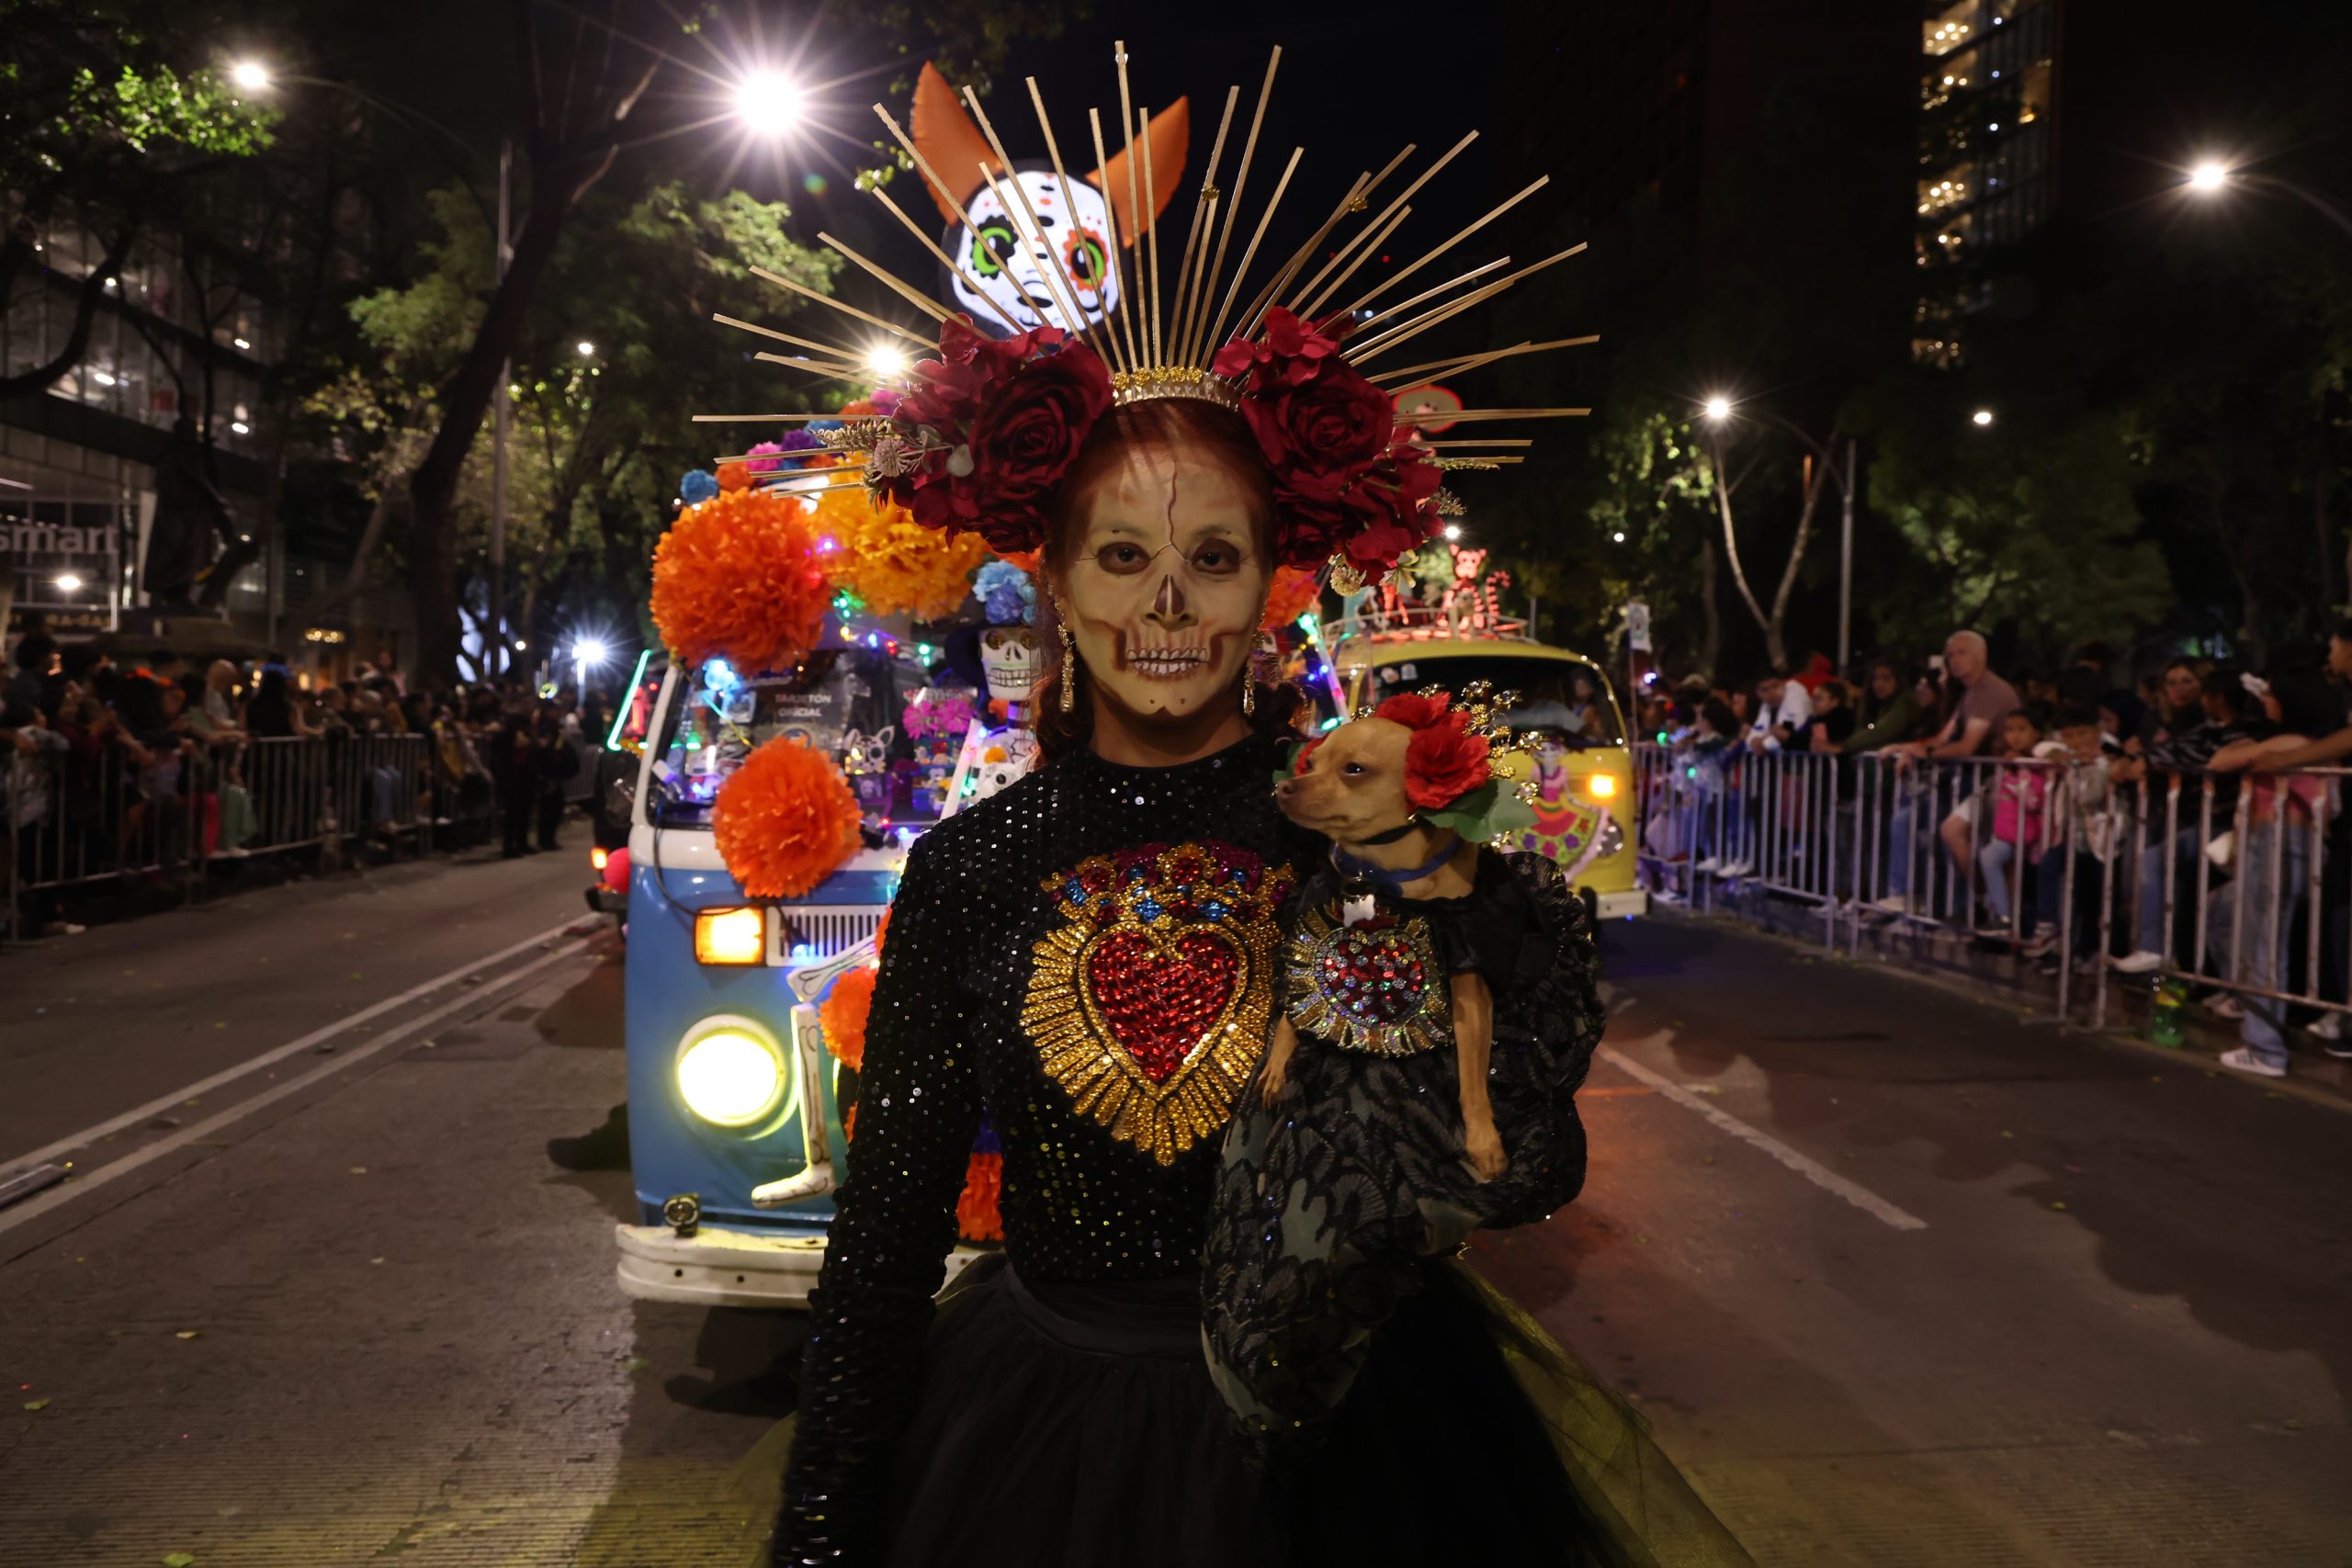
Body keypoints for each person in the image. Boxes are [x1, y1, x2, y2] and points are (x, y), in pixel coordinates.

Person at [770, 237, 1747, 1562]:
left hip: (1356, 1437)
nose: (1166, 603)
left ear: (1269, 582)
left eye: (1214, 557)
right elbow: (885, 1239)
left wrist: (1504, 1035)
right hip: (1036, 1436)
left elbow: (1516, 1166)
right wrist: (822, 1522)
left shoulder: (1365, 849)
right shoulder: (973, 867)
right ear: (1054, 579)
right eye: (1120, 555)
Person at [2202, 666, 2340, 1077]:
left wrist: (2248, 748)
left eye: (2272, 695)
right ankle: (2241, 1000)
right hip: (2281, 850)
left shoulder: (2296, 742)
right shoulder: (2312, 745)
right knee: (2220, 912)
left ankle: (2265, 1049)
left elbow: (2222, 759)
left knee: (2263, 945)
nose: (2266, 702)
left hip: (2279, 849)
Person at [1874, 631, 2019, 915]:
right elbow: (1944, 737)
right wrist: (1906, 747)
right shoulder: (1971, 692)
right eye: (1950, 654)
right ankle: (1909, 895)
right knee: (1909, 823)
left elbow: (1966, 745)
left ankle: (1981, 903)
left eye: (1962, 653)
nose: (1954, 660)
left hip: (1995, 783)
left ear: (1982, 656)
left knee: (1951, 835)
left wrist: (1922, 752)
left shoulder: (1990, 690)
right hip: (1971, 780)